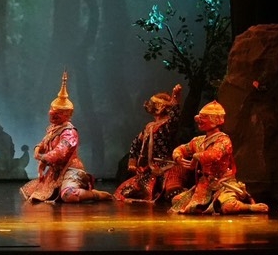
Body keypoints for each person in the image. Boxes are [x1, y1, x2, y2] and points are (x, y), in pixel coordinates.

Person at [21, 73, 109, 203]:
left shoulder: (69, 132)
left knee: (69, 195)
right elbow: (43, 144)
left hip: (70, 170)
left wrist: (42, 157)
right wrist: (37, 149)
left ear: (67, 115)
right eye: (52, 112)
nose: (53, 115)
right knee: (33, 194)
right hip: (56, 171)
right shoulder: (53, 129)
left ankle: (95, 195)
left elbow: (60, 152)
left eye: (58, 113)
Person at [169, 100, 269, 214]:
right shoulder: (198, 141)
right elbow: (181, 149)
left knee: (228, 207)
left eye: (204, 117)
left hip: (223, 184)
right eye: (200, 117)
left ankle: (249, 207)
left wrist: (196, 157)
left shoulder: (224, 140)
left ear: (215, 120)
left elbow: (214, 155)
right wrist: (178, 157)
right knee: (176, 200)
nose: (199, 120)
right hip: (204, 186)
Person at [114, 84, 187, 204]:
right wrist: (132, 163)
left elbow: (174, 120)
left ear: (161, 107)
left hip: (169, 167)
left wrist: (175, 99)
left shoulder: (167, 125)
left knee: (172, 192)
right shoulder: (149, 127)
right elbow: (136, 143)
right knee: (126, 191)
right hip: (151, 170)